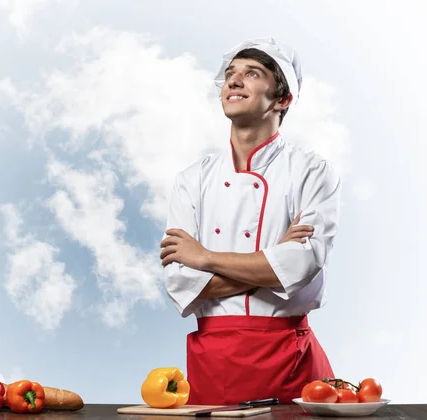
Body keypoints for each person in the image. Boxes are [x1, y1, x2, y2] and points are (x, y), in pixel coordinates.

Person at [160, 37, 341, 405]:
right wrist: (272, 261)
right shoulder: (191, 180)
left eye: (252, 74)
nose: (234, 81)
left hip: (291, 362)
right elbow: (180, 281)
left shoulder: (312, 172)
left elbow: (302, 265)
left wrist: (205, 257)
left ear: (282, 100)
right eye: (231, 73)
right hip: (213, 360)